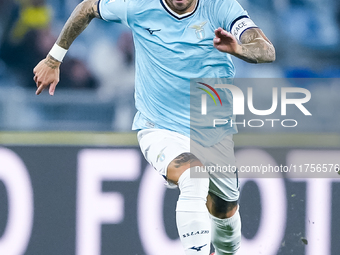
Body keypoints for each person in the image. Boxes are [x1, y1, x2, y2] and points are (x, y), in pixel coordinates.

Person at [33, 0, 275, 254]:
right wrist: (53, 59)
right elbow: (87, 8)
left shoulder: (221, 7)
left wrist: (240, 49)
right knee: (194, 176)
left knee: (225, 216)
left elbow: (266, 51)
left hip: (213, 133)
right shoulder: (138, 5)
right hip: (159, 127)